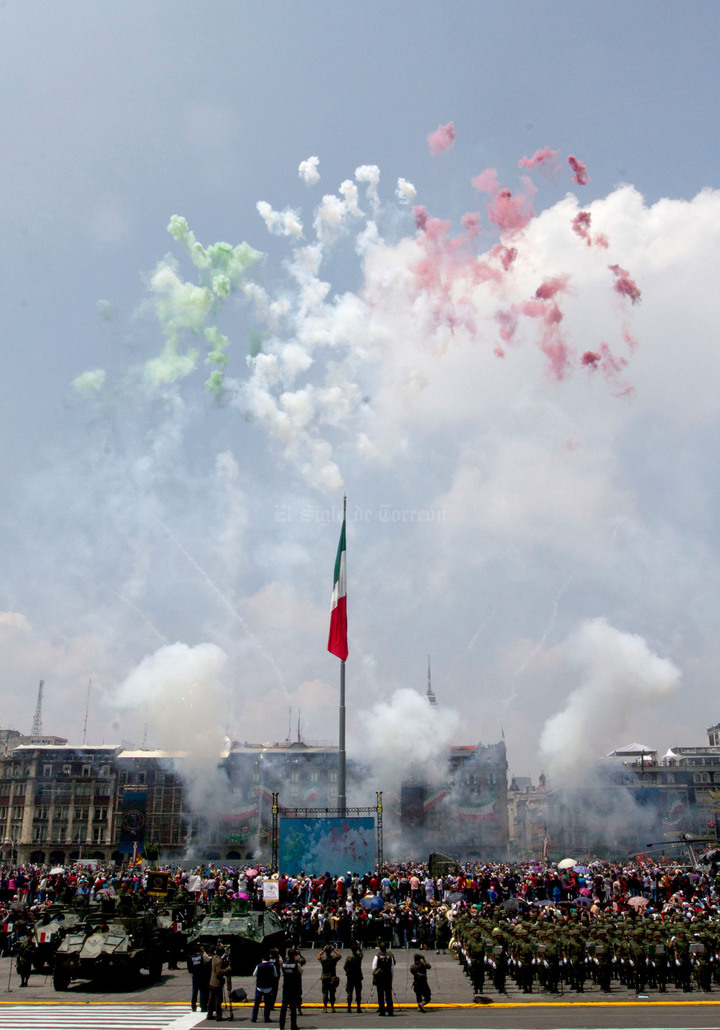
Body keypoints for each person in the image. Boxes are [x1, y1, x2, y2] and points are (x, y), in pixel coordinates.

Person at [279, 947, 304, 1030]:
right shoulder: (296, 964)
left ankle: (281, 1025)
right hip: (294, 987)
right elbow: (301, 971)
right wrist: (297, 961)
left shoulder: (284, 964)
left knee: (283, 1008)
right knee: (293, 1008)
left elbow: (281, 965)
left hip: (286, 987)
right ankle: (293, 1025)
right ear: (294, 956)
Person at [252, 950, 279, 1023]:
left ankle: (254, 1017)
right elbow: (275, 975)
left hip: (259, 987)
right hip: (268, 987)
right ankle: (266, 1018)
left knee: (256, 1003)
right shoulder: (272, 966)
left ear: (262, 959)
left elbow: (254, 974)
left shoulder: (259, 966)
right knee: (267, 1004)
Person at [371, 942, 395, 1016]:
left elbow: (374, 967)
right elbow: (392, 967)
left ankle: (382, 1010)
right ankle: (390, 1010)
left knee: (380, 994)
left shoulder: (377, 956)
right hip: (387, 976)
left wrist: (374, 975)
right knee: (388, 994)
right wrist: (392, 976)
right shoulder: (390, 956)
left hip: (380, 977)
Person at [187, 942, 210, 1012]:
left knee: (194, 991)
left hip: (195, 976)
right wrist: (204, 952)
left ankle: (193, 1006)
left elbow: (189, 969)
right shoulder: (201, 956)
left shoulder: (190, 957)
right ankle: (203, 1006)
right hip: (202, 976)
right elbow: (208, 960)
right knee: (202, 991)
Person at [318, 943, 341, 1012]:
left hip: (325, 978)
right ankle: (332, 1007)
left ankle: (325, 1007)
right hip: (332, 978)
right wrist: (334, 950)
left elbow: (318, 957)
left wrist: (323, 950)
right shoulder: (333, 958)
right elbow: (339, 956)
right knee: (332, 993)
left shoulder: (323, 959)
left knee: (325, 992)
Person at [207, 944, 226, 1021]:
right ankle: (218, 1015)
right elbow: (219, 972)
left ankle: (210, 1013)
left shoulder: (214, 958)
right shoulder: (219, 961)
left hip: (212, 982)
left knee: (211, 999)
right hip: (217, 983)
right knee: (218, 999)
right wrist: (227, 969)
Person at [344, 941, 364, 1013]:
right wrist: (359, 947)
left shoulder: (349, 958)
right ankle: (358, 1007)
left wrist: (347, 971)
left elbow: (344, 967)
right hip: (358, 976)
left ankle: (349, 1008)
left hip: (350, 977)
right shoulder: (359, 957)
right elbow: (362, 953)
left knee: (349, 992)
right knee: (358, 992)